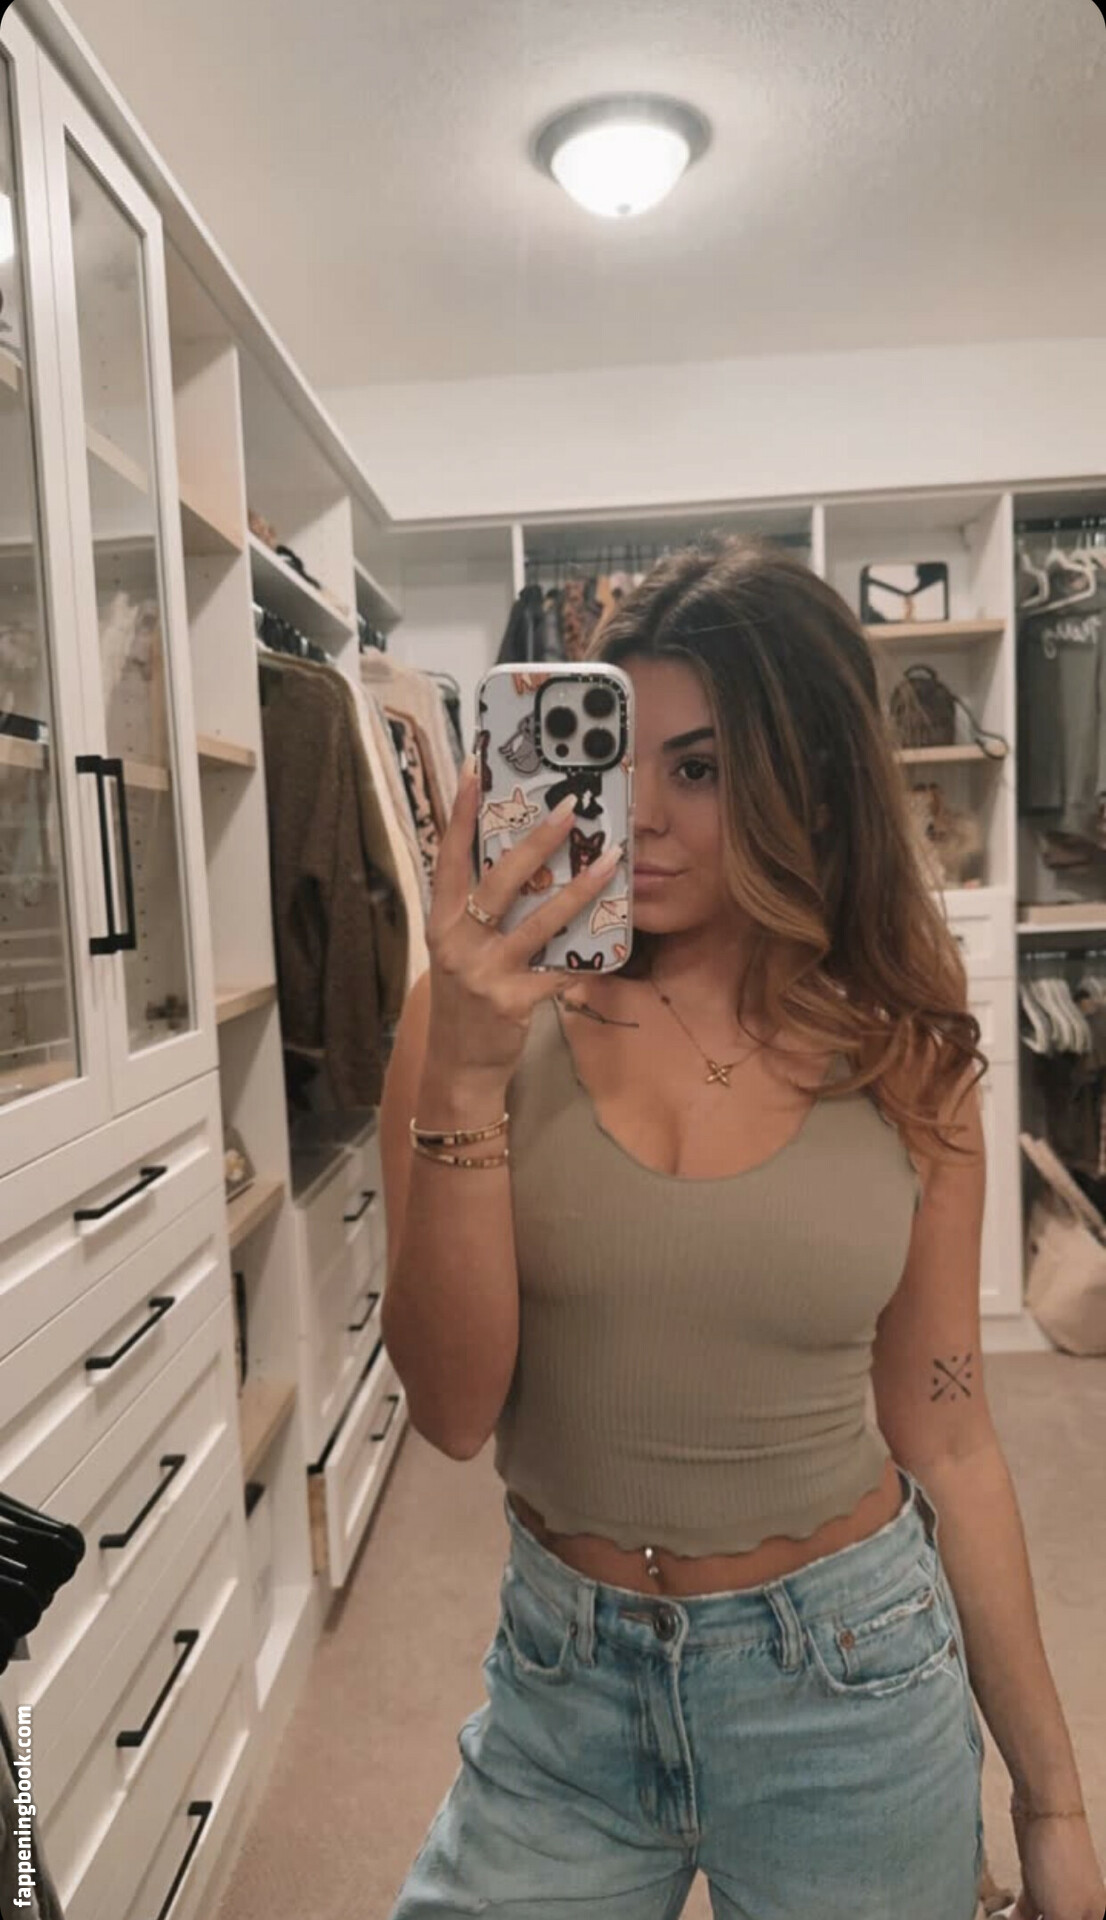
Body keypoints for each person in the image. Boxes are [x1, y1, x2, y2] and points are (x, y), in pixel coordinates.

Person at [379, 539, 1104, 1920]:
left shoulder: (903, 1048)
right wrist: (464, 1075)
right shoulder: (472, 1021)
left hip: (850, 1678)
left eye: (701, 769)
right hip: (562, 1695)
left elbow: (948, 1434)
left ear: (810, 781)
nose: (641, 816)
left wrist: (1050, 1801)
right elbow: (454, 1414)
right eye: (618, 761)